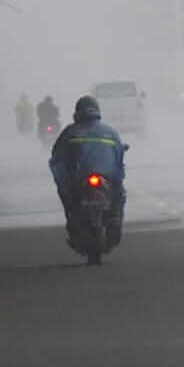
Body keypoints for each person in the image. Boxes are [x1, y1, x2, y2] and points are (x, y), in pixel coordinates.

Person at [48, 96, 127, 251]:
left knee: (69, 200)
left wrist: (63, 182)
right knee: (120, 195)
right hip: (107, 179)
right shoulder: (110, 132)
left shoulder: (69, 132)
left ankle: (79, 222)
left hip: (79, 180)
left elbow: (57, 158)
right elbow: (119, 157)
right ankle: (115, 218)